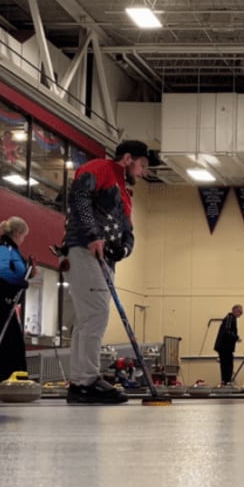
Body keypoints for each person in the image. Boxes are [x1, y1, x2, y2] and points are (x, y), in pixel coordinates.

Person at [60, 139, 150, 404]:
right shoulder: (100, 168)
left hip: (104, 258)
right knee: (96, 315)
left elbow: (128, 233)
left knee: (88, 318)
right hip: (86, 250)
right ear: (128, 158)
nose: (143, 172)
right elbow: (79, 196)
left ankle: (80, 380)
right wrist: (92, 234)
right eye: (142, 165)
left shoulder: (124, 193)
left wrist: (123, 249)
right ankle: (86, 380)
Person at [0, 217, 35, 398]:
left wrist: (28, 273)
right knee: (6, 339)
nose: (23, 239)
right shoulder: (2, 247)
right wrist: (19, 281)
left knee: (13, 340)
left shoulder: (12, 249)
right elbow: (1, 269)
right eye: (23, 236)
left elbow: (16, 270)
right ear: (18, 233)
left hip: (7, 297)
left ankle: (13, 379)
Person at [213, 304, 243, 387]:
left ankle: (225, 381)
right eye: (240, 312)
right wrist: (236, 337)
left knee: (226, 363)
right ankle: (226, 381)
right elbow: (227, 331)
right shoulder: (230, 317)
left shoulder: (231, 318)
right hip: (224, 346)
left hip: (225, 346)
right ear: (235, 310)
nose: (240, 314)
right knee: (227, 363)